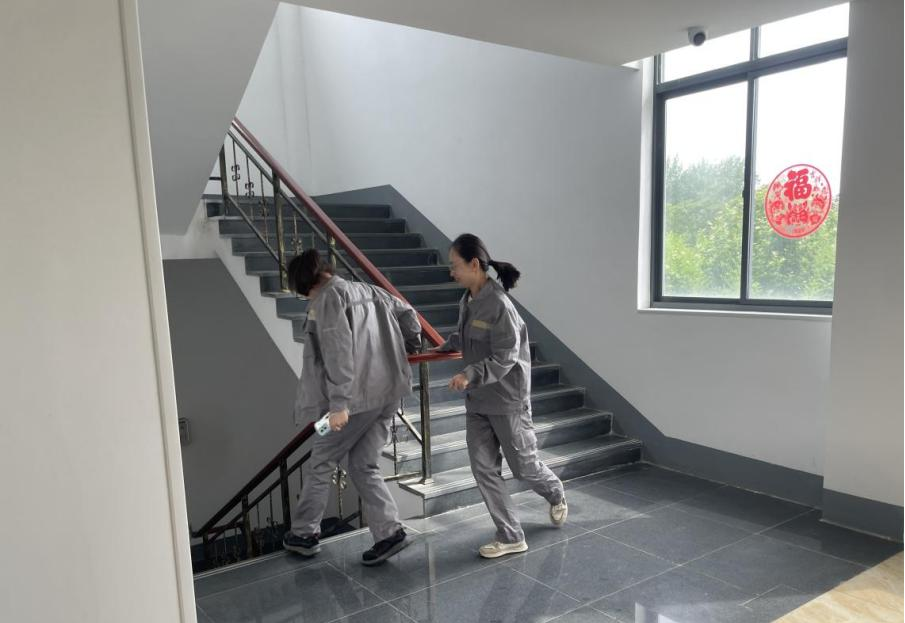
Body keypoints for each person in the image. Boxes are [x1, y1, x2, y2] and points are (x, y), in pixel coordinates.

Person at [282, 249, 422, 566]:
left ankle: (304, 533)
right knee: (362, 465)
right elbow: (408, 315)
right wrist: (407, 348)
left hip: (355, 402)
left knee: (321, 460)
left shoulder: (328, 299)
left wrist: (339, 405)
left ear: (305, 282)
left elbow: (338, 353)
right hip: (388, 393)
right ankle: (389, 533)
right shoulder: (370, 290)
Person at [436, 234, 567, 559]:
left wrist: (469, 374)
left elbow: (506, 356)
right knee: (483, 469)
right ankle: (510, 536)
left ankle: (555, 491)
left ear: (474, 265)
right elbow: (467, 335)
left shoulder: (500, 305)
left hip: (508, 401)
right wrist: (445, 346)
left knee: (523, 468)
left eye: (455, 265)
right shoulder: (468, 300)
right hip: (478, 401)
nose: (451, 272)